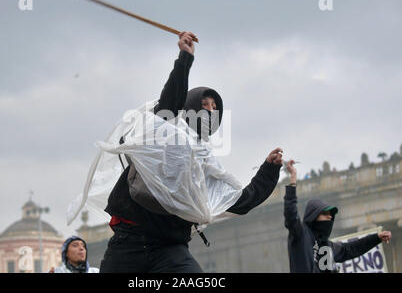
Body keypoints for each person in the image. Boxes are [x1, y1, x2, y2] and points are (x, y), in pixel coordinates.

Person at [98, 31, 283, 273]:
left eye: (214, 108)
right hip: (128, 241)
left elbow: (241, 201)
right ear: (190, 107)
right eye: (204, 105)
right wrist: (185, 58)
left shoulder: (204, 163)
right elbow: (170, 102)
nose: (209, 111)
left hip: (170, 249)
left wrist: (269, 170)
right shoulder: (162, 129)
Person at [284, 160, 392, 273]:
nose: (329, 217)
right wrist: (293, 179)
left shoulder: (328, 245)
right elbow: (290, 214)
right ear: (314, 215)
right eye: (325, 213)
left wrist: (376, 238)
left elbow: (351, 248)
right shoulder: (301, 233)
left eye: (330, 214)